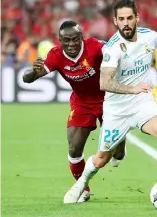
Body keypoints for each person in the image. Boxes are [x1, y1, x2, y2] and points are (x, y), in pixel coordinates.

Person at [63, 0, 157, 204]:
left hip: (142, 102)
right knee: (101, 158)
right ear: (115, 21)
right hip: (117, 109)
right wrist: (132, 88)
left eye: (129, 18)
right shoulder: (112, 48)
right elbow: (104, 82)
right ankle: (80, 184)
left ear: (137, 18)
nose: (126, 22)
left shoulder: (149, 37)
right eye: (121, 19)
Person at [22, 20, 126, 202]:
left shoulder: (95, 47)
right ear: (59, 40)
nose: (71, 44)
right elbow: (28, 79)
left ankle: (120, 149)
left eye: (75, 39)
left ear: (81, 38)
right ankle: (83, 189)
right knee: (74, 147)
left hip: (108, 99)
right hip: (82, 103)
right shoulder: (55, 56)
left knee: (116, 153)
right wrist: (32, 71)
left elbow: (119, 53)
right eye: (66, 40)